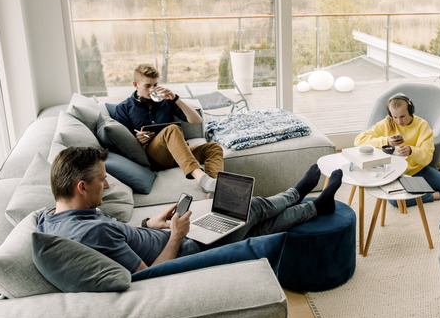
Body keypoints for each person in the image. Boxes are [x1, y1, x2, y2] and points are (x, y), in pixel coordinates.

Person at [37, 146, 343, 273]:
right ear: (81, 187)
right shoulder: (92, 231)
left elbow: (126, 239)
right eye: (102, 181)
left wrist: (149, 224)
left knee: (255, 225)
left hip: (171, 235)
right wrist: (175, 235)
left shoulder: (50, 218)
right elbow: (149, 275)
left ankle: (314, 205)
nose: (106, 186)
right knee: (251, 210)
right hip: (188, 248)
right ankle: (301, 195)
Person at [113, 64, 222, 193]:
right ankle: (199, 176)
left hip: (179, 153)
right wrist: (137, 139)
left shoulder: (166, 101)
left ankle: (213, 190)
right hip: (153, 156)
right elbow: (122, 142)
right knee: (172, 129)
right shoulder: (124, 108)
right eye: (147, 86)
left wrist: (175, 99)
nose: (152, 89)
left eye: (155, 85)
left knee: (214, 148)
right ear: (135, 85)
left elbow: (197, 120)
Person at [354, 92, 440, 207]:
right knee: (395, 201)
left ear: (411, 110)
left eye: (403, 116)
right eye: (395, 117)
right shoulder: (387, 123)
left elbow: (427, 157)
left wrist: (411, 151)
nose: (399, 121)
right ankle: (436, 195)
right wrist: (386, 140)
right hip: (396, 174)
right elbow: (359, 140)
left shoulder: (422, 125)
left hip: (418, 170)